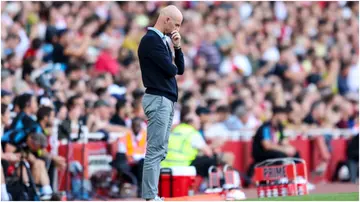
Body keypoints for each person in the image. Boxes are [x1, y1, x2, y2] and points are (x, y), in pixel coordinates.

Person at [137, 5, 184, 201]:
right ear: (166, 19)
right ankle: (150, 196)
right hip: (158, 98)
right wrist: (172, 56)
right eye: (176, 24)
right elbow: (171, 70)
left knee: (160, 151)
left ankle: (152, 194)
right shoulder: (151, 41)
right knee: (155, 151)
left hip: (165, 99)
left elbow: (179, 69)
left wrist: (177, 47)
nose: (177, 29)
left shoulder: (161, 41)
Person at [161, 113, 234, 178]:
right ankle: (225, 184)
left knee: (208, 161)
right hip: (183, 164)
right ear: (191, 123)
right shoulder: (192, 133)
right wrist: (214, 145)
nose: (199, 124)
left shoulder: (176, 130)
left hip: (166, 164)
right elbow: (208, 152)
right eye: (198, 122)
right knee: (217, 160)